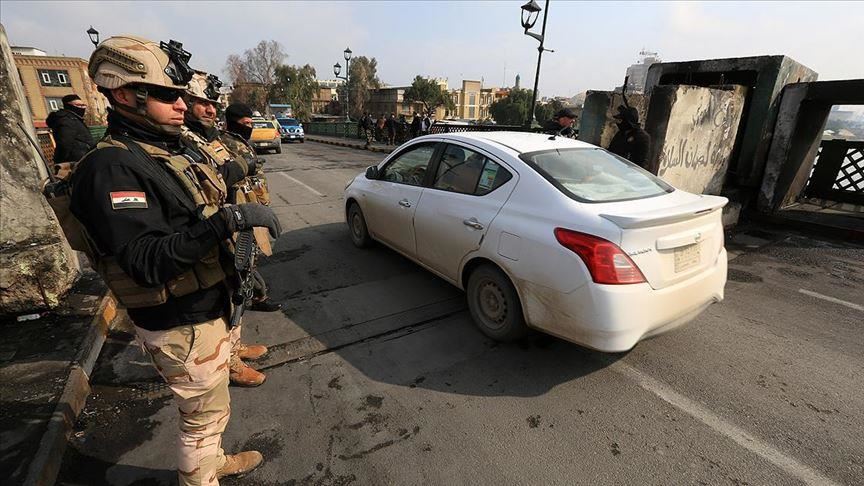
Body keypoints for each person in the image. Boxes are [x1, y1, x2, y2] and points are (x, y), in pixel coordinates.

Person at [71, 35, 278, 485]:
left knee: (212, 409)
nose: (182, 105)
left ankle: (212, 462)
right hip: (179, 319)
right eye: (166, 96)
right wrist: (227, 222)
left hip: (202, 305)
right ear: (124, 95)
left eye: (180, 95)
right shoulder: (112, 168)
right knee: (202, 417)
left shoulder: (158, 152)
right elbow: (146, 262)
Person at [182, 74, 279, 388]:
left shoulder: (209, 138)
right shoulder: (183, 140)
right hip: (209, 228)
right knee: (223, 293)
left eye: (212, 104)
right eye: (201, 103)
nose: (209, 110)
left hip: (232, 221)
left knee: (238, 285)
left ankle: (234, 348)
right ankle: (228, 363)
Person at [45, 94, 95, 176]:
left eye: (83, 105)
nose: (82, 108)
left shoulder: (75, 119)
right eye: (78, 105)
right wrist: (62, 163)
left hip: (83, 161)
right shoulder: (66, 120)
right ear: (69, 106)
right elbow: (64, 144)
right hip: (75, 164)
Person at [607, 105, 651, 169]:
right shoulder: (621, 133)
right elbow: (611, 150)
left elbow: (642, 164)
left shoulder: (642, 138)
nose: (618, 123)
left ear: (628, 122)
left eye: (621, 120)